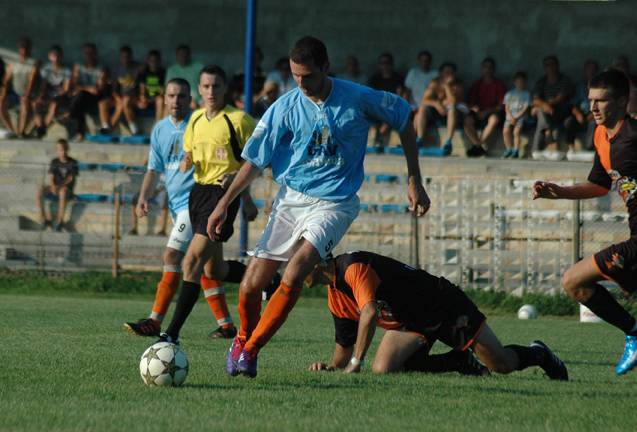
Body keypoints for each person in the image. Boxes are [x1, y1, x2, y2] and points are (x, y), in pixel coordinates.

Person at [206, 36, 430, 379]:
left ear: (326, 68)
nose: (301, 83)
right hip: (290, 200)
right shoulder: (285, 106)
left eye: (308, 75)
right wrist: (224, 202)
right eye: (295, 76)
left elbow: (403, 117)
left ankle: (251, 351)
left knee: (296, 271)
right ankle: (242, 337)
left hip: (335, 204)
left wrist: (414, 178)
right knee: (251, 286)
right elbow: (254, 161)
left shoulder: (356, 98)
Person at [125, 78, 273, 339]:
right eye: (170, 95)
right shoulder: (162, 129)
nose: (175, 100)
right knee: (211, 270)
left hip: (204, 202)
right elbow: (154, 168)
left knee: (176, 258)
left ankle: (158, 324)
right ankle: (244, 305)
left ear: (189, 98)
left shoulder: (207, 120)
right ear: (164, 97)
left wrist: (245, 198)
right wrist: (143, 197)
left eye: (181, 96)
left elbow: (242, 162)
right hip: (187, 204)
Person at [532, 69, 637, 375]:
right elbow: (600, 184)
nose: (593, 107)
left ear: (623, 101)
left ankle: (636, 331)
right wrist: (559, 193)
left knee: (573, 280)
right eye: (590, 100)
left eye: (601, 100)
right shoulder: (599, 135)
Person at [305, 251, 568, 380]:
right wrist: (330, 367)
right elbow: (344, 347)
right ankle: (457, 361)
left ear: (315, 260)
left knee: (501, 365)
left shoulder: (352, 267)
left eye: (294, 262)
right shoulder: (334, 294)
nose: (289, 269)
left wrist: (356, 363)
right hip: (411, 322)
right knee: (384, 369)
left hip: (441, 303)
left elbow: (370, 313)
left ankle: (540, 353)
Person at [63, 43, 112, 140]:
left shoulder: (101, 68)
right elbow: (75, 85)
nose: (88, 56)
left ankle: (69, 115)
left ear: (95, 54)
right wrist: (89, 89)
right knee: (80, 100)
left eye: (91, 53)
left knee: (80, 97)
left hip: (96, 98)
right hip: (83, 96)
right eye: (86, 53)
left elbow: (99, 89)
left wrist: (83, 88)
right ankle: (80, 134)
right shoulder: (78, 66)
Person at [416, 63, 467, 154]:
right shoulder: (435, 83)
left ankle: (448, 141)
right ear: (441, 73)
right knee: (422, 108)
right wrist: (435, 103)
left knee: (451, 109)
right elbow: (425, 100)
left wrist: (447, 86)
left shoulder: (459, 84)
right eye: (446, 72)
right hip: (439, 112)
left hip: (453, 114)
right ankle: (419, 139)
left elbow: (452, 102)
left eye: (451, 72)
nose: (448, 74)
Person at [531, 56, 575, 157]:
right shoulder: (541, 82)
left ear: (558, 66)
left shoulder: (564, 79)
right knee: (541, 114)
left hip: (561, 111)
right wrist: (543, 105)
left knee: (540, 114)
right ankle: (547, 131)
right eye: (547, 65)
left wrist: (544, 105)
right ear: (543, 68)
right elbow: (535, 99)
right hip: (546, 112)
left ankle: (536, 150)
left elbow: (561, 98)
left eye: (552, 64)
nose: (550, 67)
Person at [0, 37, 41, 138]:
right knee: (1, 104)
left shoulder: (34, 62)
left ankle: (21, 132)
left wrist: (26, 95)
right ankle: (11, 130)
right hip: (14, 94)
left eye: (26, 46)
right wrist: (4, 95)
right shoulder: (13, 63)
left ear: (30, 48)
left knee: (25, 104)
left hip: (28, 93)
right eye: (22, 46)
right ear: (18, 48)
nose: (24, 49)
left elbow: (32, 79)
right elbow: (7, 80)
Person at [465, 58, 506, 156]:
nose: (487, 69)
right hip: (479, 111)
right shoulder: (477, 84)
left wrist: (486, 112)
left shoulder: (499, 84)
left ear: (494, 69)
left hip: (492, 111)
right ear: (481, 69)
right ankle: (478, 145)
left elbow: (501, 106)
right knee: (467, 120)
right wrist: (476, 110)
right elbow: (471, 103)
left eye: (490, 67)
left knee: (494, 120)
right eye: (485, 67)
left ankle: (478, 145)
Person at [36, 139, 78, 232]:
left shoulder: (72, 162)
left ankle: (60, 221)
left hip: (65, 188)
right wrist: (53, 186)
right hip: (55, 187)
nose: (63, 153)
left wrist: (59, 187)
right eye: (61, 150)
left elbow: (70, 179)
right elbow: (52, 177)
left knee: (63, 192)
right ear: (57, 151)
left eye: (64, 150)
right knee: (39, 191)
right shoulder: (54, 162)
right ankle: (43, 219)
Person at [32, 45, 72, 138]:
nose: (56, 58)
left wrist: (54, 97)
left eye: (58, 56)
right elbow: (43, 87)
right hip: (49, 95)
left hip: (60, 96)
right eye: (54, 56)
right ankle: (39, 126)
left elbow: (66, 89)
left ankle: (43, 128)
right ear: (50, 57)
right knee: (36, 104)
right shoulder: (46, 69)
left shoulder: (67, 70)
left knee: (54, 104)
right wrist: (42, 96)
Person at [368, 53, 404, 147]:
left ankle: (378, 137)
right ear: (379, 65)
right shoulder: (374, 79)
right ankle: (375, 135)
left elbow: (399, 97)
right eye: (383, 63)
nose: (385, 65)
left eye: (388, 62)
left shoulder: (398, 78)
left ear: (392, 64)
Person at [569, 60, 599, 153]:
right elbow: (572, 104)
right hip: (580, 113)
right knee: (569, 121)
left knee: (594, 122)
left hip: (594, 113)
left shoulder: (600, 86)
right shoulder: (579, 86)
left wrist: (591, 116)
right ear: (585, 70)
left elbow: (601, 105)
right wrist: (578, 114)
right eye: (589, 69)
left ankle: (589, 148)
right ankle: (570, 148)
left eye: (594, 70)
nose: (591, 72)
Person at [111, 46, 141, 135]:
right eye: (123, 57)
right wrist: (117, 99)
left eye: (128, 57)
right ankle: (109, 128)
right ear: (120, 57)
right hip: (122, 98)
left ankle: (133, 128)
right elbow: (114, 90)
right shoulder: (116, 69)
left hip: (135, 98)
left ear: (131, 57)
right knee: (121, 104)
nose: (126, 59)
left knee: (126, 101)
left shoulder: (137, 67)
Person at [165, 45, 205, 110]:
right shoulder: (172, 70)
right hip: (178, 98)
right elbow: (167, 89)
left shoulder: (199, 66)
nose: (183, 57)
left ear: (189, 55)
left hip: (199, 99)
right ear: (176, 56)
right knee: (168, 108)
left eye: (185, 55)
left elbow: (206, 85)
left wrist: (203, 99)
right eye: (181, 55)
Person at [502, 72, 532, 159]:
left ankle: (516, 150)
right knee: (505, 131)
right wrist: (511, 117)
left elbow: (525, 107)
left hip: (520, 116)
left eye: (522, 82)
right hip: (510, 115)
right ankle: (508, 149)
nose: (520, 84)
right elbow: (506, 107)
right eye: (518, 82)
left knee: (516, 132)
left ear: (525, 83)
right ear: (514, 82)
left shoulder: (526, 94)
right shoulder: (509, 93)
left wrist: (517, 117)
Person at [136, 50, 166, 122]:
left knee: (160, 101)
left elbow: (162, 92)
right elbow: (142, 92)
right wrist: (143, 98)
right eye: (152, 61)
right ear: (148, 61)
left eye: (156, 61)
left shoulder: (163, 73)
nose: (154, 63)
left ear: (159, 61)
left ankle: (158, 125)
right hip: (146, 100)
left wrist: (152, 100)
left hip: (156, 99)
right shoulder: (144, 73)